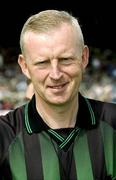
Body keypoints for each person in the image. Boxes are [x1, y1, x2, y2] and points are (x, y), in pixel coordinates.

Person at [0, 10, 116, 180]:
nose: (55, 74)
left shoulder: (113, 123)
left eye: (65, 59)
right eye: (42, 62)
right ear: (24, 66)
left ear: (84, 57)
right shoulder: (4, 135)